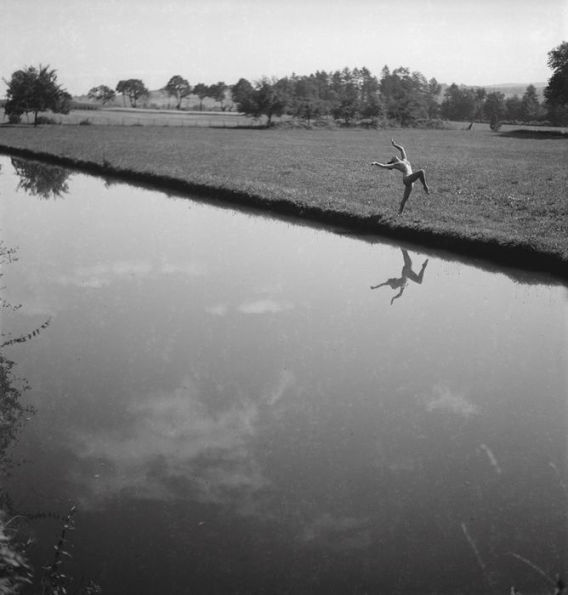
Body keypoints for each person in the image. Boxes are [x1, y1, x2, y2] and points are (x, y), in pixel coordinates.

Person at [371, 139, 430, 214]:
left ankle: (399, 213)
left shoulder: (404, 160)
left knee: (405, 199)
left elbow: (402, 149)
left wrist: (394, 144)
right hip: (407, 179)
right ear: (394, 161)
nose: (393, 157)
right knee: (421, 171)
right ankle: (425, 186)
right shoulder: (396, 164)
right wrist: (375, 163)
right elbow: (384, 166)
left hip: (411, 182)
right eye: (392, 159)